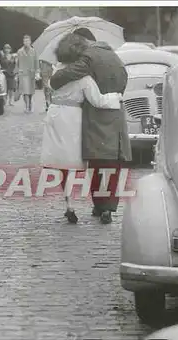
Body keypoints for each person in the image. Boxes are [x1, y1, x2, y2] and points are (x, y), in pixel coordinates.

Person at [49, 28, 131, 224]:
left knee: (97, 163)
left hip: (96, 115)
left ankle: (99, 205)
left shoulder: (87, 57)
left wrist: (57, 74)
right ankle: (109, 209)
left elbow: (60, 78)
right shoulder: (114, 56)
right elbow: (124, 80)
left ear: (84, 41)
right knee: (113, 164)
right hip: (116, 115)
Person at [15, 34, 40, 113]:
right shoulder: (19, 51)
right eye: (24, 41)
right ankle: (27, 106)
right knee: (25, 91)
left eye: (27, 41)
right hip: (23, 74)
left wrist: (37, 72)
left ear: (30, 42)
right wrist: (16, 74)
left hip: (31, 74)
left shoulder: (34, 51)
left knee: (30, 92)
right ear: (23, 42)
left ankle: (30, 104)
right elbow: (17, 63)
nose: (26, 42)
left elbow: (36, 62)